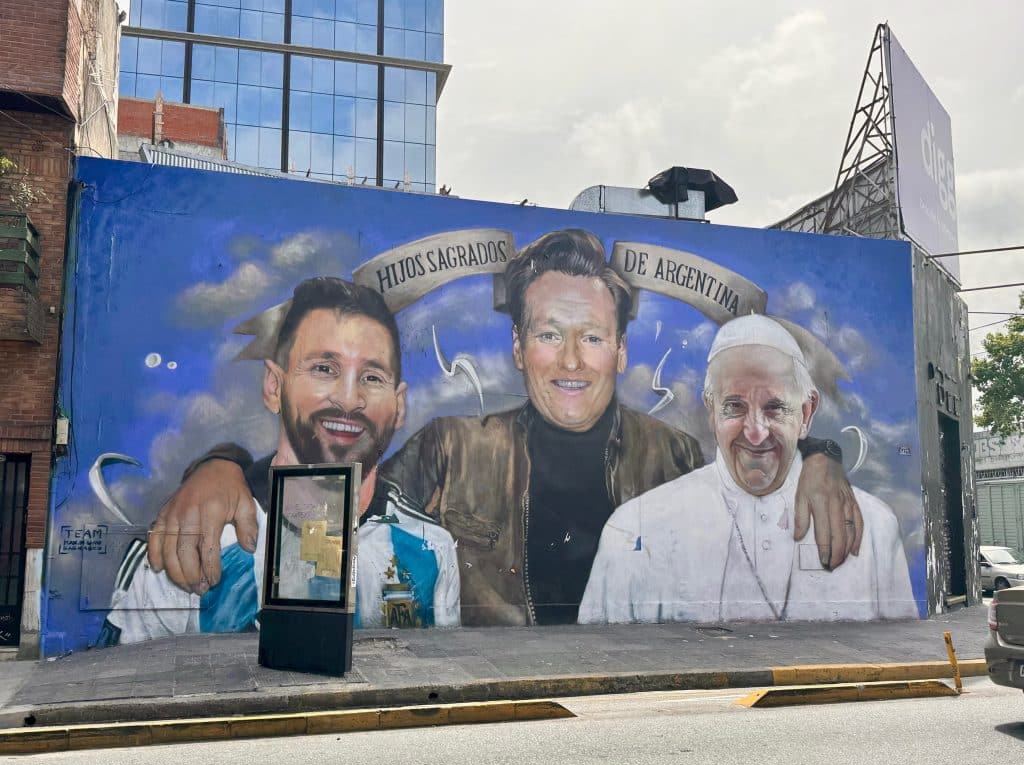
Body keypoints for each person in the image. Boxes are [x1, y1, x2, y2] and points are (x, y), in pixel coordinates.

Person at [150, 230, 862, 627]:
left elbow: (751, 470)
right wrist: (221, 467)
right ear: (519, 349)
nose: (573, 358)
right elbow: (336, 493)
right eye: (550, 333)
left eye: (592, 336)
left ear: (619, 349)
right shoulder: (450, 449)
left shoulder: (673, 451)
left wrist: (820, 457)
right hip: (501, 704)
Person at [98, 277, 459, 646]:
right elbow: (122, 690)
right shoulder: (194, 541)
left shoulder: (431, 548)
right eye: (324, 368)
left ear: (398, 406)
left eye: (372, 376)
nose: (350, 399)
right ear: (274, 386)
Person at [578, 315, 918, 624]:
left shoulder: (873, 528)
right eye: (734, 407)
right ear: (711, 411)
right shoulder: (634, 531)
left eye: (775, 408)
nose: (756, 433)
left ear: (807, 412)